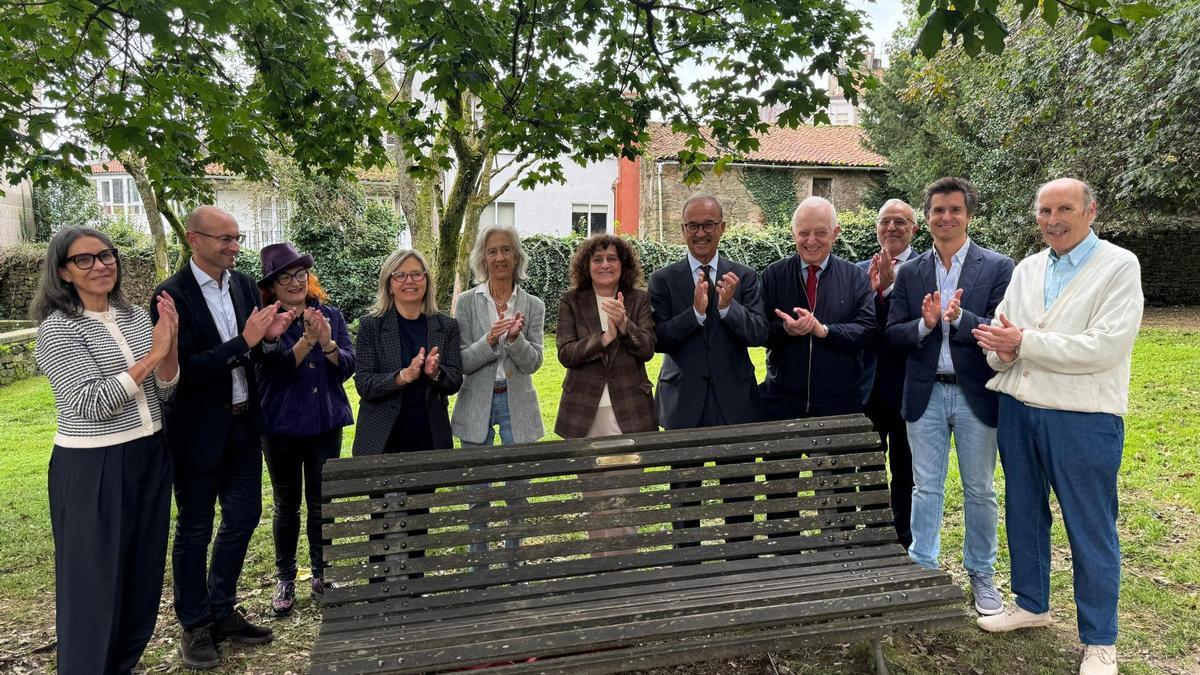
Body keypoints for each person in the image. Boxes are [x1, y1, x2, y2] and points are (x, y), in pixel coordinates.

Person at [974, 178, 1143, 675]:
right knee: (1024, 512)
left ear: (1092, 211)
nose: (1053, 219)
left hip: (1083, 416)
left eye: (1065, 208)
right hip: (1019, 410)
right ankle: (1031, 605)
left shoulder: (1118, 266)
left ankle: (1100, 641)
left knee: (1089, 525)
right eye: (1044, 210)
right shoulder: (1027, 268)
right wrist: (1001, 350)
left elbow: (1104, 348)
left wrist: (1022, 342)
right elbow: (999, 342)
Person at [32, 228, 179, 675]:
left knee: (141, 577)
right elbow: (90, 402)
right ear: (63, 272)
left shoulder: (133, 317)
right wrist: (153, 356)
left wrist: (169, 344)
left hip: (150, 452)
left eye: (106, 255)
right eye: (85, 260)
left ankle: (122, 665)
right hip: (94, 464)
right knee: (94, 585)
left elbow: (165, 390)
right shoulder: (58, 329)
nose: (100, 265)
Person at [152, 206, 292, 668]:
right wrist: (245, 344)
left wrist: (268, 339)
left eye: (237, 237)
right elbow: (179, 374)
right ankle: (194, 625)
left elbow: (258, 357)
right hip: (196, 431)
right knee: (194, 528)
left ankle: (221, 609)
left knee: (244, 516)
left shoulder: (246, 286)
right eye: (224, 239)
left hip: (243, 426)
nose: (234, 246)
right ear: (194, 240)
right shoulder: (170, 296)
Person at [885, 177, 1014, 616]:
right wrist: (924, 325)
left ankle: (981, 573)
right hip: (926, 395)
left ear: (968, 215)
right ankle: (923, 566)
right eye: (938, 210)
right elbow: (892, 334)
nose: (946, 217)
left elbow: (1000, 329)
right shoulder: (911, 271)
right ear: (928, 217)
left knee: (979, 489)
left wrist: (959, 319)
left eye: (954, 210)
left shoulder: (998, 267)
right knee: (926, 487)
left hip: (977, 393)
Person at [649, 193, 768, 542]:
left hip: (736, 402)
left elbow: (761, 333)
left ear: (722, 228)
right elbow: (656, 339)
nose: (701, 233)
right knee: (685, 503)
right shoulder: (663, 280)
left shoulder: (743, 276)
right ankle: (689, 572)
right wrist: (696, 314)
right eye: (693, 226)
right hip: (684, 401)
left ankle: (740, 568)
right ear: (682, 229)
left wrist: (730, 308)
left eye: (709, 225)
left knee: (740, 498)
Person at [254, 243, 355, 615]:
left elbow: (347, 366)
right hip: (279, 426)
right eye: (286, 277)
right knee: (287, 504)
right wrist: (306, 341)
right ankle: (285, 575)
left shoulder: (329, 313)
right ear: (272, 285)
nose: (296, 283)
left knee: (321, 501)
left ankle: (321, 572)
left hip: (325, 422)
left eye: (301, 275)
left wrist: (326, 342)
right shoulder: (264, 320)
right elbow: (273, 370)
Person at [556, 234, 657, 551]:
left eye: (612, 258)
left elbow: (648, 349)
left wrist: (624, 326)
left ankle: (626, 564)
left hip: (628, 412)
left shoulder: (638, 300)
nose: (604, 264)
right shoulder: (571, 301)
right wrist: (603, 337)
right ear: (587, 265)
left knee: (625, 493)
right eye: (597, 259)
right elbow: (565, 354)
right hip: (585, 414)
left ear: (622, 264)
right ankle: (600, 564)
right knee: (595, 496)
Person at [452, 224, 545, 554]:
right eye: (492, 251)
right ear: (483, 258)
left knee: (517, 492)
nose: (500, 256)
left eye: (506, 249)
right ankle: (480, 565)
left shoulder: (533, 304)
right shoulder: (466, 303)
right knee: (477, 493)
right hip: (476, 404)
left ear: (517, 255)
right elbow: (460, 361)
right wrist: (490, 340)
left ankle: (512, 562)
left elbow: (534, 363)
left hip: (517, 404)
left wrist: (516, 340)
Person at [760, 196, 875, 419]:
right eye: (803, 233)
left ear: (835, 232)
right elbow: (758, 332)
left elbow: (868, 330)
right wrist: (785, 330)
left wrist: (824, 331)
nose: (811, 240)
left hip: (839, 405)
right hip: (781, 403)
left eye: (821, 232)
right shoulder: (774, 275)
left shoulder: (855, 277)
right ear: (793, 233)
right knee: (783, 457)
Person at [352, 248, 463, 457]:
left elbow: (455, 381)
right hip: (382, 439)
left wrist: (435, 373)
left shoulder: (447, 326)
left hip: (429, 437)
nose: (409, 281)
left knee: (425, 492)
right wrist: (403, 377)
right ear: (389, 284)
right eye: (400, 275)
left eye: (416, 274)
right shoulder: (371, 326)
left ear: (426, 280)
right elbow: (364, 384)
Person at [857, 199, 921, 548]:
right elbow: (859, 327)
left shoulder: (926, 269)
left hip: (908, 386)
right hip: (865, 386)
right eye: (886, 221)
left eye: (901, 221)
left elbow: (914, 327)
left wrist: (891, 289)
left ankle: (902, 537)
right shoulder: (858, 271)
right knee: (866, 465)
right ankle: (870, 533)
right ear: (877, 227)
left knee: (906, 469)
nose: (892, 227)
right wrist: (873, 291)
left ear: (914, 229)